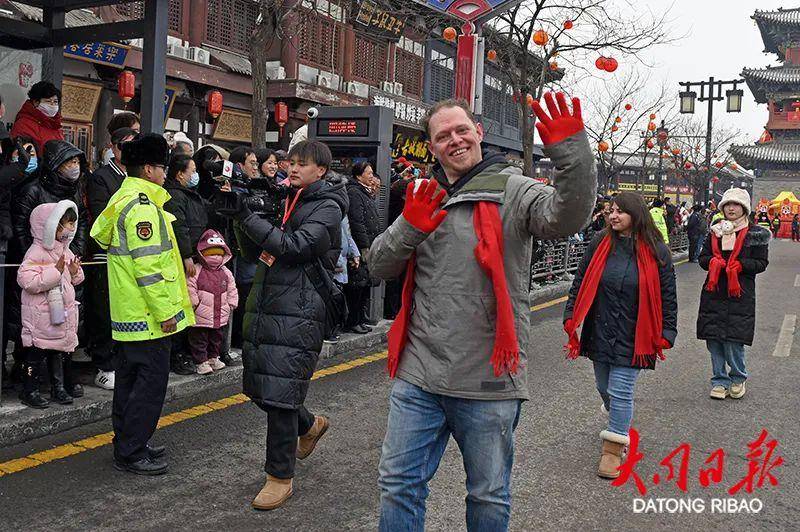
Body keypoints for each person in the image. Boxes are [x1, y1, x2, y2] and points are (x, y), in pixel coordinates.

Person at [368, 94, 596, 531]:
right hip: (420, 374)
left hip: (489, 378)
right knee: (398, 484)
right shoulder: (423, 194)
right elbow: (378, 265)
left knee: (488, 496)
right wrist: (408, 226)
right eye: (442, 136)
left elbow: (568, 217)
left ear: (479, 132)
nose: (454, 140)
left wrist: (573, 156)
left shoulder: (515, 189)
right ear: (431, 148)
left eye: (461, 130)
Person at [229, 140, 347, 510]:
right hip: (269, 300)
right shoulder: (286, 198)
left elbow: (295, 246)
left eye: (302, 164)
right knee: (264, 385)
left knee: (280, 394)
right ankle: (310, 426)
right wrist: (237, 217)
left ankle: (279, 476)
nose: (292, 168)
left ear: (321, 171)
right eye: (290, 162)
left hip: (301, 307)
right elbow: (255, 251)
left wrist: (249, 219)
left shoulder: (327, 206)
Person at [90, 133, 195, 475]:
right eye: (163, 167)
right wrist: (166, 312)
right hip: (148, 315)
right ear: (149, 169)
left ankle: (128, 442)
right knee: (147, 388)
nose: (166, 173)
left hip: (131, 313)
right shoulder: (143, 209)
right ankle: (132, 451)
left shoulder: (126, 200)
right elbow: (149, 269)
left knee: (130, 385)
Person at [563, 192, 677, 479]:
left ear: (635, 214)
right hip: (600, 327)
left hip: (636, 331)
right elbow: (581, 278)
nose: (613, 216)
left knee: (621, 390)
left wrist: (668, 330)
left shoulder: (656, 250)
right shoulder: (600, 242)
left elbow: (668, 296)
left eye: (620, 211)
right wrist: (570, 313)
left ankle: (612, 450)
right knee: (604, 386)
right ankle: (618, 421)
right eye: (610, 210)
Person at [697, 188, 769, 401]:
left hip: (740, 294)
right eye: (727, 204)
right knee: (714, 340)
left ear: (744, 208)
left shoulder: (756, 235)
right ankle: (719, 380)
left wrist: (740, 265)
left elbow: (761, 263)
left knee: (733, 341)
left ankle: (738, 377)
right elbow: (703, 259)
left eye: (736, 204)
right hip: (714, 292)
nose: (731, 208)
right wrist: (713, 262)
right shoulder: (715, 231)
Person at [17, 201, 84, 408]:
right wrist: (56, 271)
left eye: (73, 224)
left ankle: (59, 388)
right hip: (41, 316)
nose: (71, 229)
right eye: (67, 224)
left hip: (60, 314)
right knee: (36, 353)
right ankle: (30, 389)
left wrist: (74, 272)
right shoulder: (35, 252)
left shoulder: (65, 250)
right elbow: (26, 280)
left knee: (59, 351)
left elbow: (77, 279)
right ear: (49, 226)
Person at [85, 127, 137, 390]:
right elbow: (101, 213)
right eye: (126, 146)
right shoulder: (101, 178)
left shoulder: (138, 177)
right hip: (106, 252)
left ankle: (122, 360)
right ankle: (104, 365)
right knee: (104, 311)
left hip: (133, 255)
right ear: (115, 148)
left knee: (125, 309)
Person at [164, 153, 208, 375]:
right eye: (192, 171)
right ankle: (177, 354)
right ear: (180, 174)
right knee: (181, 304)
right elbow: (179, 227)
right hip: (184, 259)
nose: (195, 176)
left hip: (197, 255)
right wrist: (187, 255)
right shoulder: (175, 196)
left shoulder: (190, 194)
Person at [186, 229, 238, 374]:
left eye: (218, 254)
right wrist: (194, 301)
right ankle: (200, 361)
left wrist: (232, 302)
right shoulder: (196, 270)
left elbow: (232, 288)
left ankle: (213, 358)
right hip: (200, 314)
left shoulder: (226, 272)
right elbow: (190, 286)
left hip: (219, 313)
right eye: (211, 254)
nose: (215, 257)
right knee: (199, 339)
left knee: (216, 338)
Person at [344, 161, 381, 334]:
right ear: (359, 176)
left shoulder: (365, 192)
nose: (371, 176)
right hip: (360, 247)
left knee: (365, 284)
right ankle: (353, 320)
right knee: (357, 285)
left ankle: (361, 317)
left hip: (369, 244)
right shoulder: (354, 192)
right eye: (369, 173)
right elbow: (357, 221)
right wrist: (364, 245)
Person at [10, 81, 64, 154]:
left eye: (55, 102)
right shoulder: (23, 125)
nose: (53, 105)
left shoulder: (55, 125)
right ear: (36, 102)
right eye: (48, 101)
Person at [328, 216, 360, 342]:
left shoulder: (342, 212)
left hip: (341, 260)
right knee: (332, 299)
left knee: (338, 296)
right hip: (335, 261)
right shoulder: (331, 207)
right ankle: (329, 331)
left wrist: (355, 253)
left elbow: (347, 234)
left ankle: (333, 329)